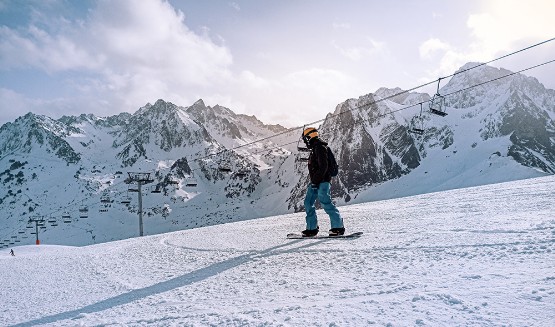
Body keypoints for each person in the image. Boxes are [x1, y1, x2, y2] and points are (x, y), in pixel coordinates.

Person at [301, 127, 345, 237]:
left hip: (323, 181)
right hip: (316, 181)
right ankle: (312, 228)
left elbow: (323, 166)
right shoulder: (316, 148)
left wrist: (316, 181)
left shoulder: (320, 147)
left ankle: (338, 227)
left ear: (309, 137)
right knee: (308, 202)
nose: (305, 142)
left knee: (325, 202)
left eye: (305, 139)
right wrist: (314, 181)